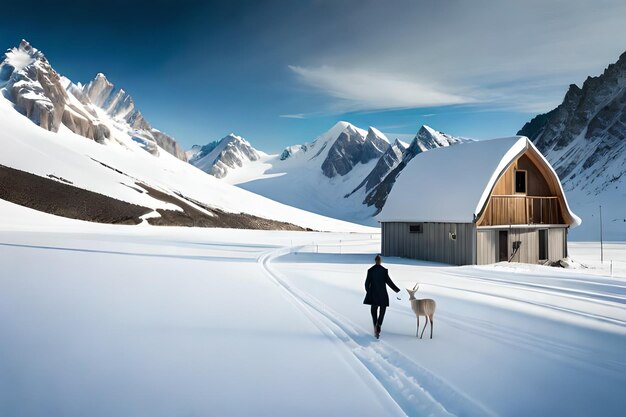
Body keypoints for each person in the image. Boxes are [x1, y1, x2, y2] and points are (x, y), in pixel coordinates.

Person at [363, 255, 400, 338]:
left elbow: (366, 284)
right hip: (383, 295)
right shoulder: (384, 271)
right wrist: (397, 290)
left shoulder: (370, 271)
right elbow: (389, 282)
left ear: (375, 261)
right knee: (382, 311)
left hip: (373, 295)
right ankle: (379, 324)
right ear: (380, 261)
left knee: (373, 311)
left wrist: (369, 292)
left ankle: (375, 327)